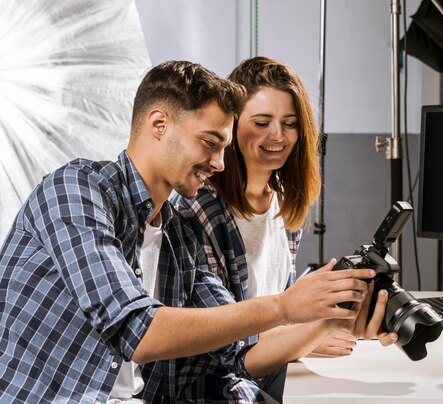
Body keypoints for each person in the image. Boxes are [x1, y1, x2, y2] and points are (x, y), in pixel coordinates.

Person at [0, 60, 377, 403]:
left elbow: (238, 350)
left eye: (224, 148)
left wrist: (331, 316)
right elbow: (139, 331)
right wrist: (284, 306)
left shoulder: (179, 235)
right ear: (159, 124)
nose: (218, 163)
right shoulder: (74, 192)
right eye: (209, 143)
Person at [176, 57, 397, 401]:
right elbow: (233, 352)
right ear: (232, 126)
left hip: (268, 373)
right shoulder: (199, 211)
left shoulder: (282, 203)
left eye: (290, 123)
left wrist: (318, 328)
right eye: (262, 122)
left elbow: (280, 322)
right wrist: (317, 330)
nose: (277, 136)